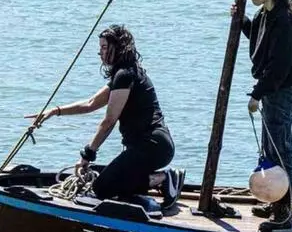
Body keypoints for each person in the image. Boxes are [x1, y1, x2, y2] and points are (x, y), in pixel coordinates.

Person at [27, 25, 185, 210]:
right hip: (148, 146)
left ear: (118, 48)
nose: (100, 53)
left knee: (101, 188)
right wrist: (55, 111)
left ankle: (165, 178)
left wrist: (87, 155)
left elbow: (109, 121)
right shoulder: (124, 74)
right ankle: (158, 180)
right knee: (111, 183)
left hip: (152, 146)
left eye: (104, 47)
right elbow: (91, 103)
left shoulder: (125, 75)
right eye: (100, 48)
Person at [230, 0, 292, 232]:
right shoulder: (264, 15)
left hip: (282, 91)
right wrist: (242, 22)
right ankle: (275, 199)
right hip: (272, 88)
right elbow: (260, 41)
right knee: (269, 147)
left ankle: (284, 211)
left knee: (280, 149)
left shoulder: (284, 18)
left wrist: (257, 94)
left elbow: (279, 66)